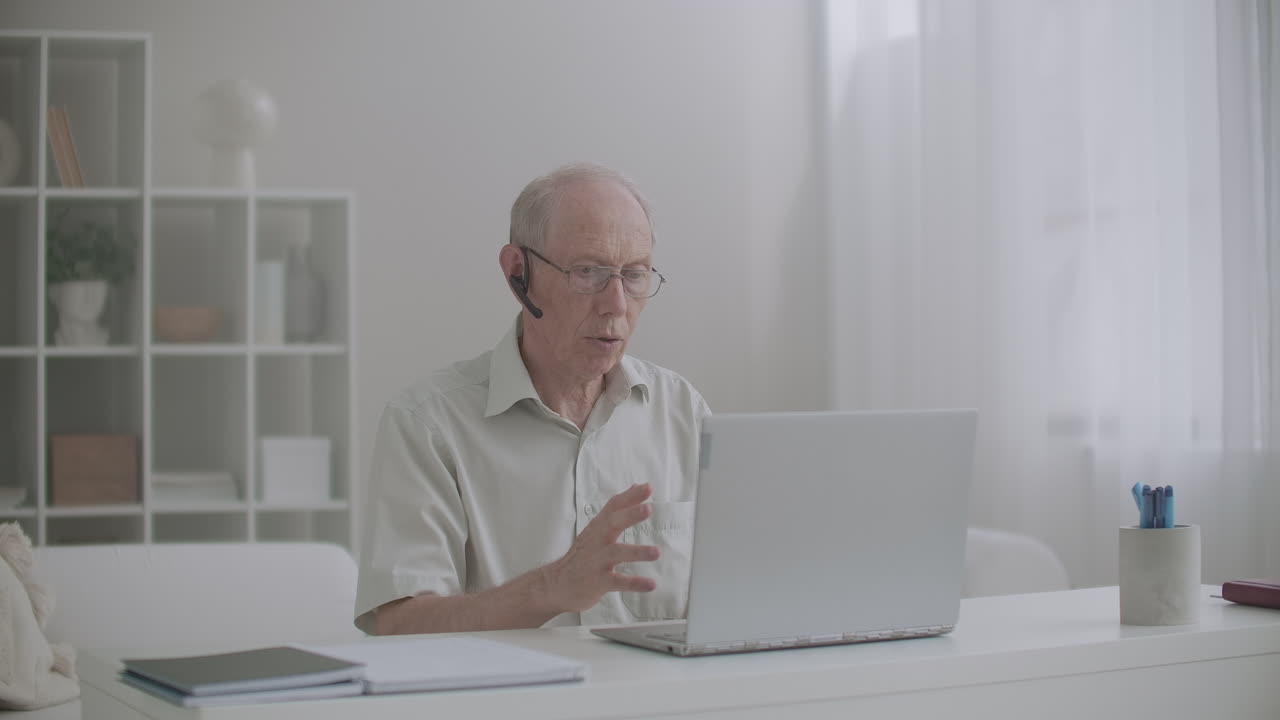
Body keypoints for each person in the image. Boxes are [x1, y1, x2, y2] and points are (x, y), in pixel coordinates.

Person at [355, 163, 710, 635]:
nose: (616, 304)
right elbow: (400, 625)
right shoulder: (428, 423)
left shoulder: (683, 411)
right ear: (517, 273)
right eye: (588, 272)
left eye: (635, 275)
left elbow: (739, 590)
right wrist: (551, 587)